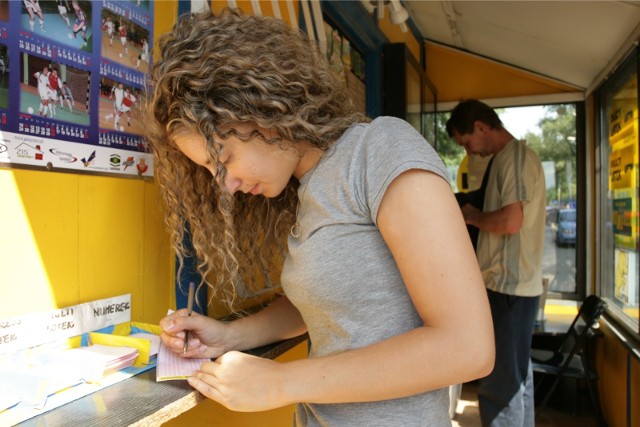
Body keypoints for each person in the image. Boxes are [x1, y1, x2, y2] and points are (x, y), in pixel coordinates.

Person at [148, 9, 494, 426]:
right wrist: (228, 336)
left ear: (261, 108)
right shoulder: (302, 190)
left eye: (222, 159)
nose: (225, 186)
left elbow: (468, 347)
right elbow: (326, 307)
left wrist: (281, 381)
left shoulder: (379, 150)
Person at [446, 99, 546, 427]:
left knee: (499, 384)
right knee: (516, 378)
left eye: (467, 142)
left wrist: (472, 217)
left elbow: (510, 222)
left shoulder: (514, 158)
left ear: (480, 126)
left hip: (508, 287)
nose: (470, 151)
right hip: (514, 288)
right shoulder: (508, 159)